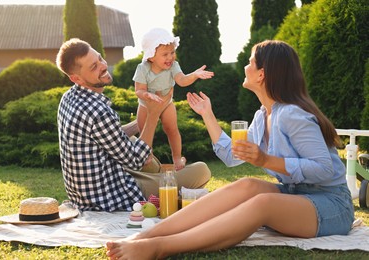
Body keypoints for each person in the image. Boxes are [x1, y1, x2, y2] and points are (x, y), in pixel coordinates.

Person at [106, 40, 354, 259]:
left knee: (263, 203)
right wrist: (208, 114)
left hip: (331, 205)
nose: (245, 66)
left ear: (262, 74)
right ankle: (146, 236)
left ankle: (160, 247)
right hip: (297, 193)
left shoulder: (292, 115)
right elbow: (231, 155)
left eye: (250, 62)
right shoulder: (263, 116)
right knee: (247, 184)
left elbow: (325, 169)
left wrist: (266, 160)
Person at [56, 38, 211, 212]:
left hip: (91, 191)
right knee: (202, 170)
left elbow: (108, 137)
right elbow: (138, 160)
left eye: (99, 58)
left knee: (132, 140)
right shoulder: (98, 111)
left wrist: (141, 122)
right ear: (76, 78)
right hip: (114, 195)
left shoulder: (68, 98)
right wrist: (153, 114)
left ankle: (168, 183)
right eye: (93, 67)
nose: (103, 65)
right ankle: (169, 191)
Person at [133, 28, 214, 170]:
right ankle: (148, 156)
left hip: (166, 103)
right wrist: (147, 95)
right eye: (165, 54)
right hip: (146, 105)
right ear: (151, 56)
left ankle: (177, 158)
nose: (170, 57)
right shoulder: (143, 68)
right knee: (144, 130)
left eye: (172, 52)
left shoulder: (173, 67)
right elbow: (139, 90)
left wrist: (194, 75)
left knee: (172, 129)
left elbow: (182, 80)